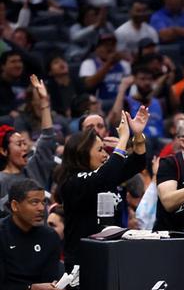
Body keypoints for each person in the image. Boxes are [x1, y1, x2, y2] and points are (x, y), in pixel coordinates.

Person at [57, 108, 148, 270]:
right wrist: (123, 139)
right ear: (83, 153)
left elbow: (138, 162)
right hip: (83, 263)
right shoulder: (72, 182)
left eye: (104, 149)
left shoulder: (105, 175)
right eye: (100, 150)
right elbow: (104, 176)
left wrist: (138, 135)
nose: (105, 154)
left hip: (112, 257)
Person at [0, 75, 57, 201]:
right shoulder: (1, 181)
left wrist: (44, 102)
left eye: (25, 143)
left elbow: (47, 138)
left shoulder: (33, 168)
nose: (24, 148)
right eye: (19, 144)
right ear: (4, 151)